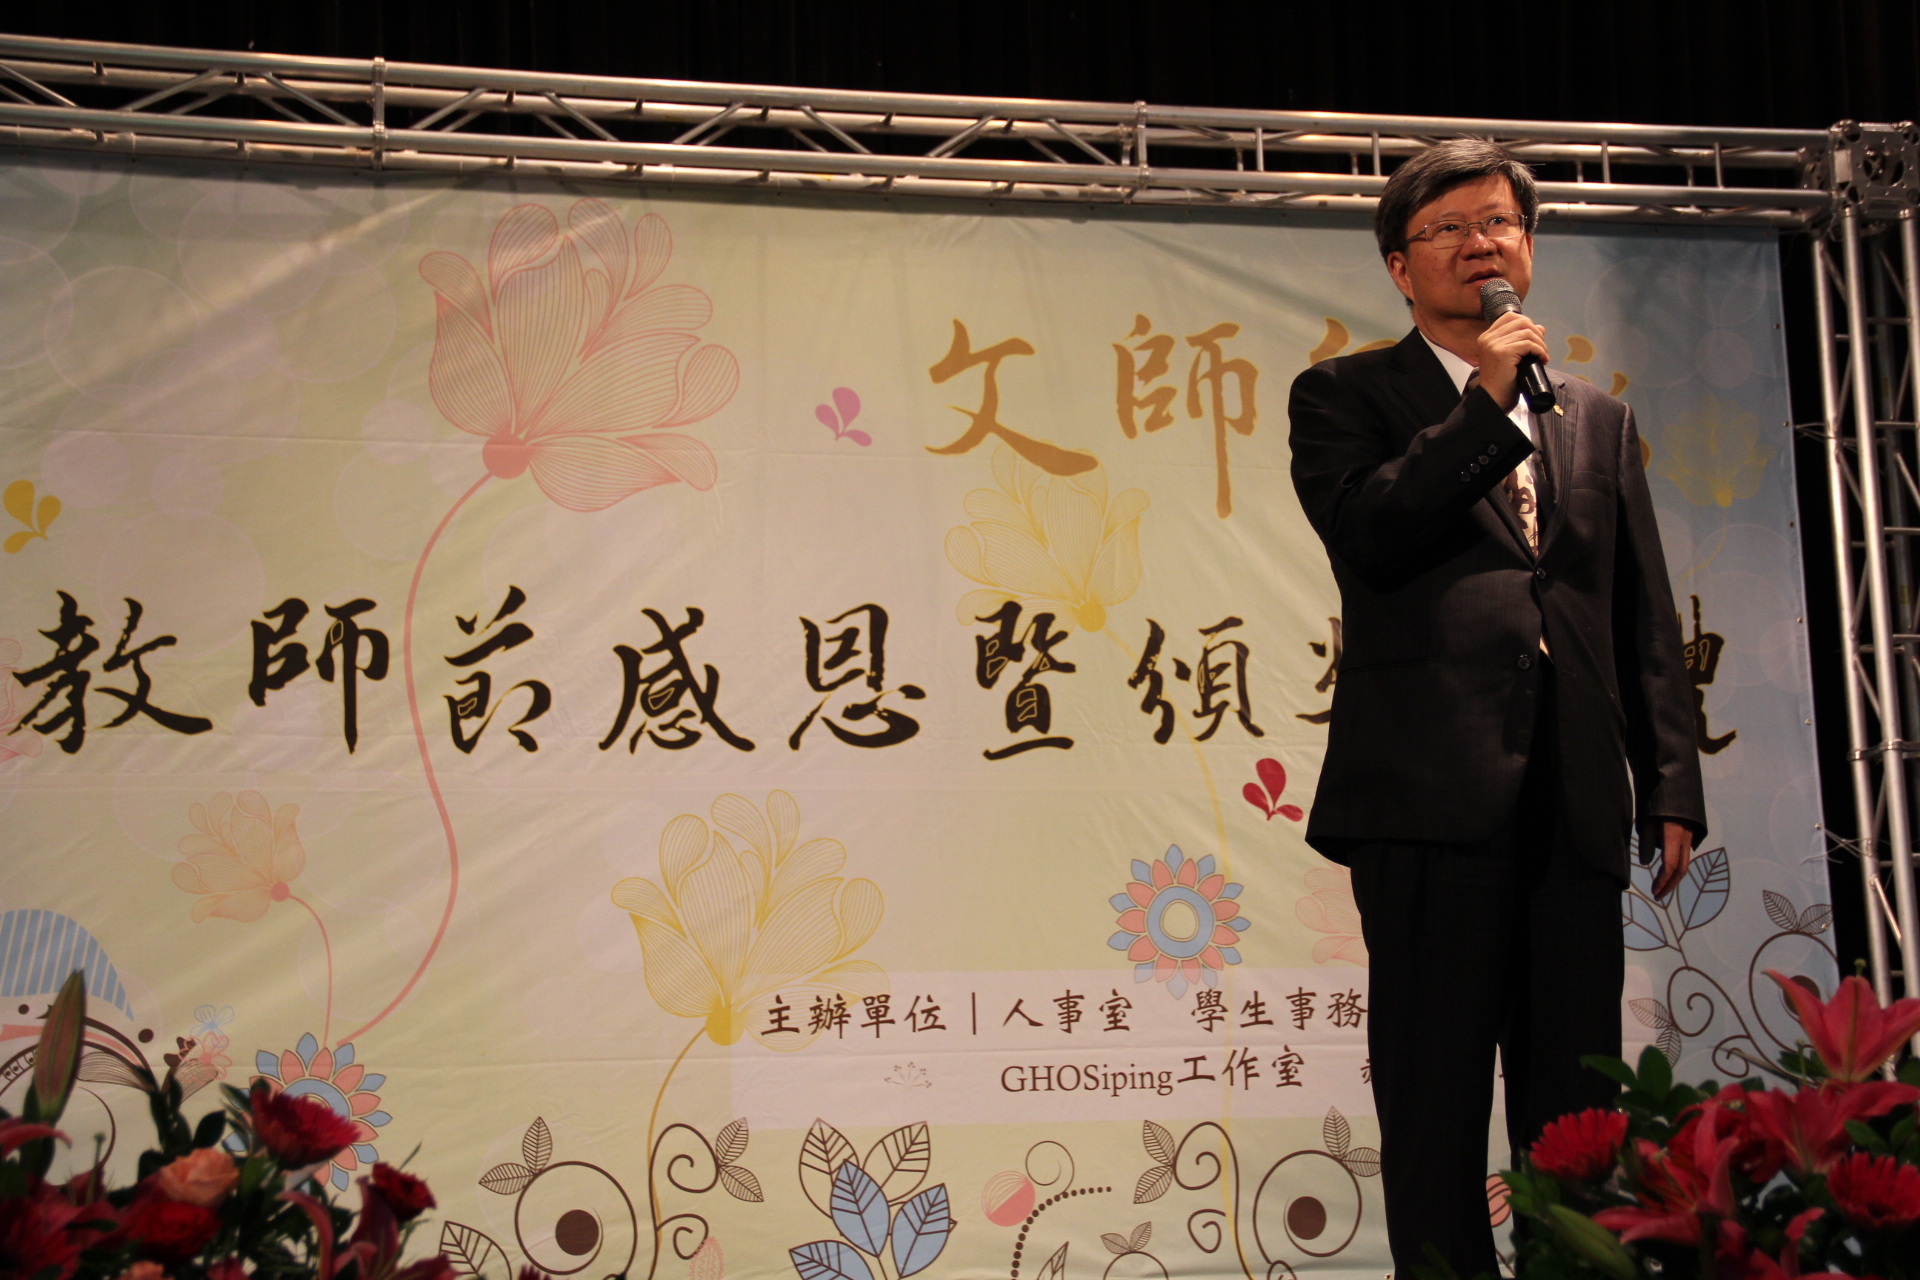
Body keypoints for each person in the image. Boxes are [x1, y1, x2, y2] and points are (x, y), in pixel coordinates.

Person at [1286, 139, 1706, 1276]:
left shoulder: (1596, 420)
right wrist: (1484, 401)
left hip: (1573, 795)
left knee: (1577, 1107)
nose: (1481, 246)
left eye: (1500, 225)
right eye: (1450, 230)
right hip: (1426, 799)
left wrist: (1670, 779)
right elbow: (1372, 533)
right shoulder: (1345, 395)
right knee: (1434, 1093)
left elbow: (1639, 611)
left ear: (1529, 246)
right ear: (1399, 266)